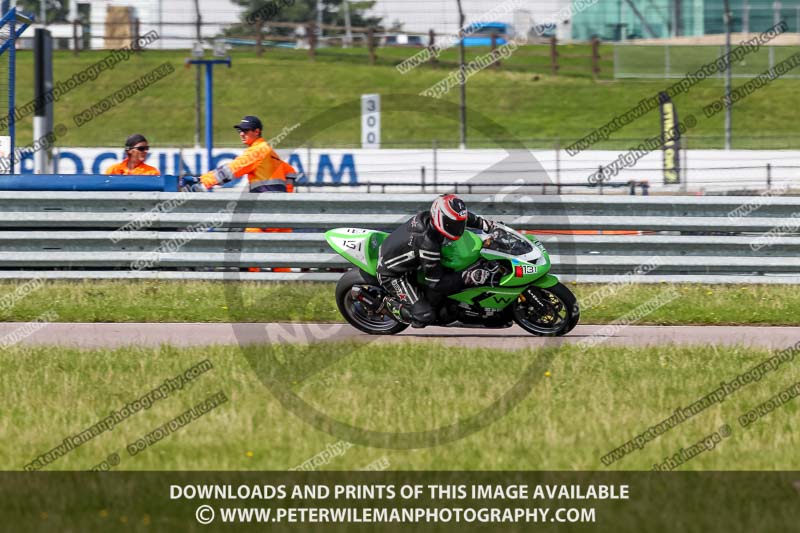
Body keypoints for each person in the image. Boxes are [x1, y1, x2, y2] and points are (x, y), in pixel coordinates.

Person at [376, 194, 500, 327]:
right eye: (452, 224)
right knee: (424, 316)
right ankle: (387, 305)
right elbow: (435, 283)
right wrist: (467, 277)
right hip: (392, 274)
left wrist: (487, 225)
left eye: (458, 223)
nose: (457, 228)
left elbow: (463, 218)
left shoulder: (436, 219)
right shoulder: (428, 244)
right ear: (441, 219)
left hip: (409, 259)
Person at [199, 115, 292, 192]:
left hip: (265, 205)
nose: (241, 134)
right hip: (274, 205)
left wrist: (202, 181)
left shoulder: (258, 150)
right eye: (240, 131)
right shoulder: (268, 150)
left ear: (256, 131)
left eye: (246, 130)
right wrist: (286, 196)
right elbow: (290, 171)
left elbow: (232, 169)